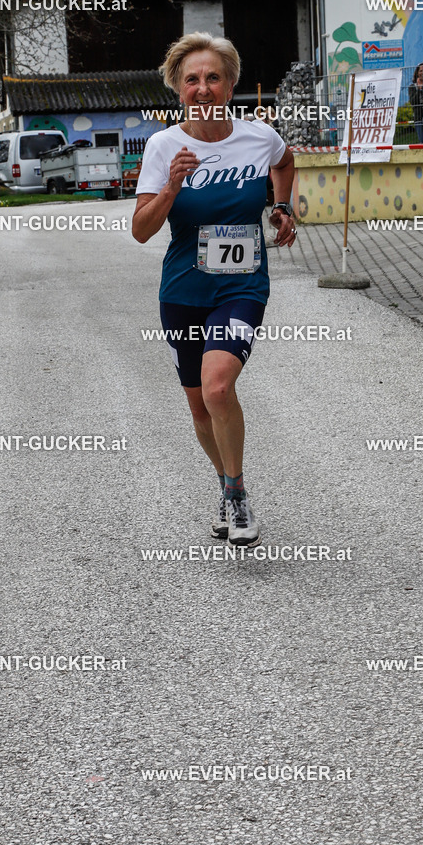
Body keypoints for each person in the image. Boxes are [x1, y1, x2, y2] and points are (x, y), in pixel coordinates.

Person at [132, 33, 296, 546]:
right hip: (183, 291)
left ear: (230, 84)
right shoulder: (163, 147)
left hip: (242, 286)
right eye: (192, 80)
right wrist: (172, 186)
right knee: (200, 407)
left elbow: (285, 162)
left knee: (218, 387)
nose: (203, 88)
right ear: (178, 89)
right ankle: (226, 485)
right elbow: (140, 230)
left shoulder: (257, 137)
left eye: (213, 77)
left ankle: (238, 495)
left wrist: (282, 206)